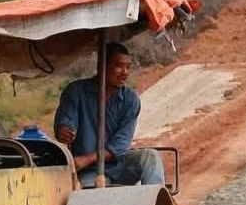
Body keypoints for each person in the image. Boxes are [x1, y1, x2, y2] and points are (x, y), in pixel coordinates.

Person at [53, 41, 164, 188]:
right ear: (102, 66)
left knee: (150, 156)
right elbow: (66, 123)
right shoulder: (75, 91)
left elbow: (120, 145)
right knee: (87, 199)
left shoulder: (130, 99)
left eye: (128, 67)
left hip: (120, 166)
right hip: (88, 171)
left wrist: (86, 159)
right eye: (119, 66)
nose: (125, 72)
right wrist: (64, 131)